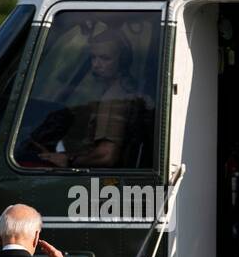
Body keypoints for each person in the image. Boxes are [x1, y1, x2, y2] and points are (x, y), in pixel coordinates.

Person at [24, 28, 150, 169]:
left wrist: (68, 160)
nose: (96, 64)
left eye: (105, 58)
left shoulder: (113, 98)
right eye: (93, 57)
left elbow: (107, 156)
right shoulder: (126, 89)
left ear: (123, 60)